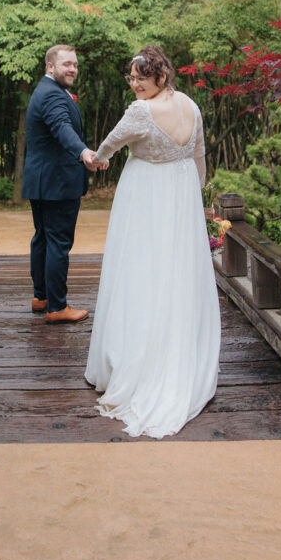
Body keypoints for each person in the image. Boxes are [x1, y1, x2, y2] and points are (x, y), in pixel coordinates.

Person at [85, 45, 221, 438]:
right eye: (131, 78)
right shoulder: (191, 106)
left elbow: (109, 144)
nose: (134, 84)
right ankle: (178, 357)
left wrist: (99, 158)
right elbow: (199, 156)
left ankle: (138, 363)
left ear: (160, 77)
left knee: (140, 271)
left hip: (146, 195)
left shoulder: (140, 112)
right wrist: (192, 198)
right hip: (181, 195)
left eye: (140, 78)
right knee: (176, 274)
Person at [22, 44, 106, 324]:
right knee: (58, 242)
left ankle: (41, 296)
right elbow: (62, 128)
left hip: (42, 180)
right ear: (50, 66)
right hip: (57, 182)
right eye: (66, 64)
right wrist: (84, 153)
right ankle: (57, 307)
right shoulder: (53, 95)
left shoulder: (45, 91)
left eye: (75, 64)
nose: (73, 69)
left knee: (44, 238)